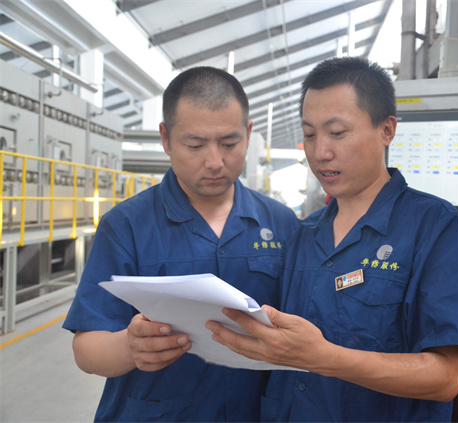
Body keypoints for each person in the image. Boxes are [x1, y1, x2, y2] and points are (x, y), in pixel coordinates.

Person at [206, 57, 458, 422]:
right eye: (310, 135)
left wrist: (324, 358)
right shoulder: (304, 234)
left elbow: (446, 377)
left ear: (386, 130)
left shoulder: (432, 225)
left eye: (337, 133)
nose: (320, 152)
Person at [63, 66, 299, 422]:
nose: (215, 162)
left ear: (248, 134)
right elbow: (87, 350)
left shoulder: (281, 223)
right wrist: (130, 346)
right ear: (166, 138)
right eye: (195, 145)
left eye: (229, 143)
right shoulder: (126, 225)